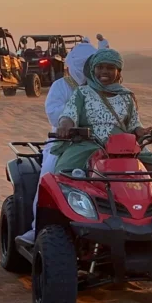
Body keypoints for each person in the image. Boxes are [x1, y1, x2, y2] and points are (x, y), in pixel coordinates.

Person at [18, 38, 98, 245]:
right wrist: (76, 119)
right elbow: (54, 114)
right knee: (48, 176)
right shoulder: (60, 86)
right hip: (64, 143)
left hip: (99, 143)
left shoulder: (101, 87)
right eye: (84, 66)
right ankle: (36, 229)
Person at [52, 48, 152, 173]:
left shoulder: (127, 96)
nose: (104, 71)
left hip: (123, 147)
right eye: (100, 67)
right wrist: (65, 125)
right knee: (62, 173)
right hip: (88, 144)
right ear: (93, 69)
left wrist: (140, 131)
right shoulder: (82, 92)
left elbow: (133, 124)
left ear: (118, 71)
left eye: (110, 68)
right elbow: (69, 114)